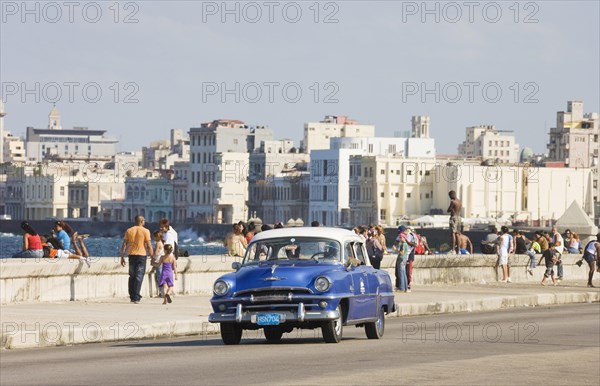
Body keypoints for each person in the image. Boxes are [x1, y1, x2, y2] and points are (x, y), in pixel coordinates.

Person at [120, 216, 154, 304]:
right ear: (142, 221)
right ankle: (136, 296)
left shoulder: (129, 230)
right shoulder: (146, 231)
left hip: (131, 255)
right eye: (144, 221)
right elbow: (149, 245)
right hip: (141, 256)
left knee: (132, 276)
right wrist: (152, 256)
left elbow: (124, 244)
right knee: (139, 276)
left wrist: (122, 257)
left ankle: (132, 296)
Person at [395, 226, 409, 292]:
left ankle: (402, 288)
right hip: (404, 259)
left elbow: (401, 252)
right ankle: (405, 287)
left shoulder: (403, 244)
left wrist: (396, 250)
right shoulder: (406, 244)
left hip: (401, 260)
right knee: (404, 274)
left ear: (404, 238)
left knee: (401, 274)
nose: (400, 239)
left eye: (401, 237)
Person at [151, 230, 164, 298]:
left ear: (157, 237)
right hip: (161, 261)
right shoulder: (162, 243)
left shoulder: (158, 243)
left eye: (155, 237)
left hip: (157, 261)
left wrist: (152, 257)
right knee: (160, 276)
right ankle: (162, 292)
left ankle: (161, 293)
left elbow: (156, 253)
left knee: (159, 277)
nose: (154, 238)